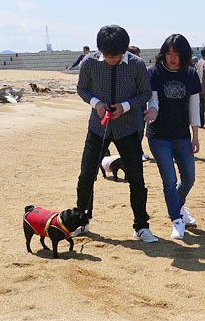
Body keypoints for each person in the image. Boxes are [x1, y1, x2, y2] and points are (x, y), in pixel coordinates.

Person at [74, 25, 157, 243]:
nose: (111, 59)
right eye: (107, 54)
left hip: (128, 128)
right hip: (97, 127)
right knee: (86, 175)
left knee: (136, 178)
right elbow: (82, 89)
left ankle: (141, 226)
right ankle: (82, 219)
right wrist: (97, 103)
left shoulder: (137, 65)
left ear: (124, 50)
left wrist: (125, 106)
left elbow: (145, 93)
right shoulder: (89, 62)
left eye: (116, 55)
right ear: (100, 49)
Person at [146, 34, 201, 240]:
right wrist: (153, 111)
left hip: (182, 135)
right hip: (159, 135)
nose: (172, 57)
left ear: (184, 55)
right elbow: (153, 101)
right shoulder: (154, 72)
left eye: (176, 53)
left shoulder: (191, 74)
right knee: (169, 180)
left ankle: (178, 205)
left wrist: (195, 135)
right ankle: (177, 220)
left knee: (189, 178)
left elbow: (194, 107)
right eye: (168, 53)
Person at [126, 45, 150, 161]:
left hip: (138, 104)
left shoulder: (138, 68)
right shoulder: (131, 69)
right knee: (137, 129)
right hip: (134, 104)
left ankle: (137, 151)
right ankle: (136, 152)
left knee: (139, 129)